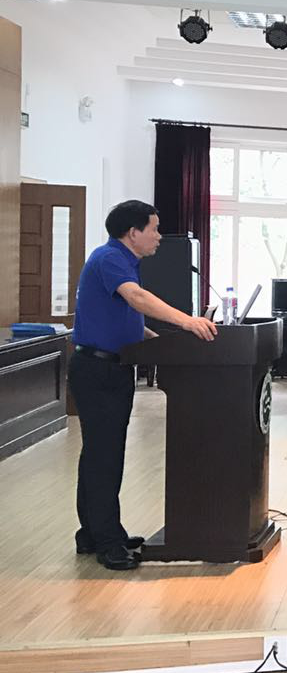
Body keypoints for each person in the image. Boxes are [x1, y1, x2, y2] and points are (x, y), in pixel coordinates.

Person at [71, 201, 218, 571]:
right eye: (153, 228)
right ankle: (107, 543)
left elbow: (128, 320)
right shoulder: (110, 258)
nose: (158, 236)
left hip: (109, 368)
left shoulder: (121, 260)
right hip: (98, 371)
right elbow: (137, 299)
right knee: (104, 457)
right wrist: (187, 322)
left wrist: (164, 342)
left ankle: (94, 533)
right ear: (132, 232)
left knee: (100, 455)